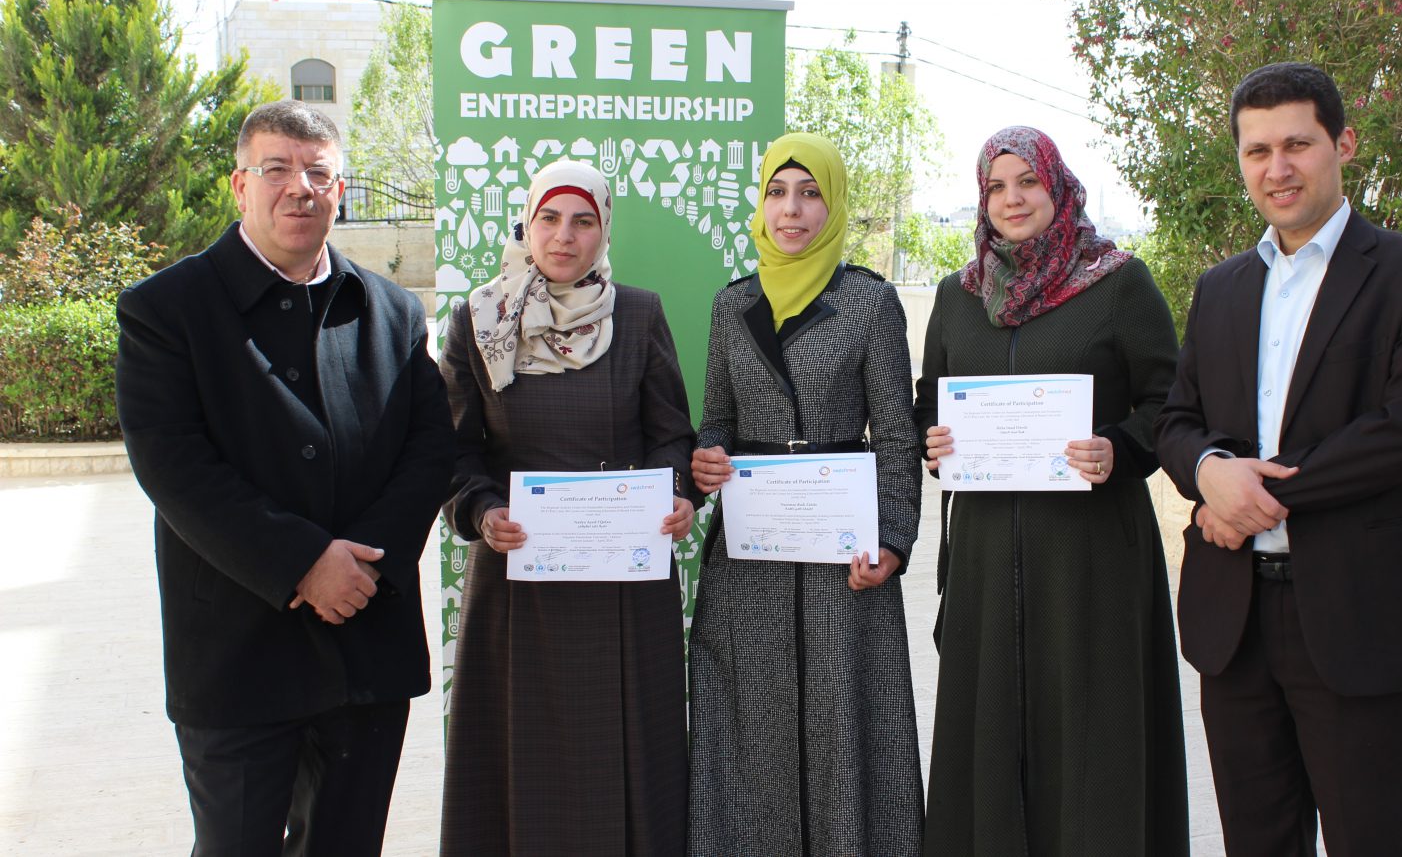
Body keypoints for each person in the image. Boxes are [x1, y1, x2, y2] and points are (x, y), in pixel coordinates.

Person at [114, 99, 454, 857]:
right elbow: (174, 466)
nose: (299, 188)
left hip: (366, 646)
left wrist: (360, 563)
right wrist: (303, 563)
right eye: (276, 169)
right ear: (240, 186)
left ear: (342, 190)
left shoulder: (393, 311)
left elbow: (433, 447)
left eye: (319, 173)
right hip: (237, 656)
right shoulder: (167, 310)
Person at [1155, 62, 1402, 857]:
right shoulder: (1221, 287)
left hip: (1359, 613)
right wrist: (1206, 473)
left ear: (1343, 144)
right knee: (1257, 841)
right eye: (1257, 150)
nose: (1278, 167)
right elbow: (1178, 420)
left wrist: (1254, 493)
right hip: (1236, 616)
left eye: (1297, 143)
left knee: (1375, 838)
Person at [913, 126, 1188, 855]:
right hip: (983, 559)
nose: (1012, 199)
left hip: (1090, 558)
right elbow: (929, 402)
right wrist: (933, 441)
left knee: (1090, 729)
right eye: (996, 186)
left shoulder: (1118, 282)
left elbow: (1172, 402)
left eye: (1026, 182)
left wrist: (1118, 448)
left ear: (1057, 187)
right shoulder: (959, 295)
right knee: (991, 727)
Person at [436, 159, 698, 856]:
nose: (564, 235)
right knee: (523, 761)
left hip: (623, 585)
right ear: (527, 221)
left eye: (583, 220)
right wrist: (484, 512)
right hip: (518, 582)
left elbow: (673, 436)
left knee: (626, 757)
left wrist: (678, 494)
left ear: (604, 229)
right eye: (550, 217)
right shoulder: (479, 318)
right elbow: (454, 456)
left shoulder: (638, 314)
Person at [687, 131, 924, 854]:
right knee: (747, 726)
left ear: (834, 203)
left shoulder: (869, 302)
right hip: (751, 557)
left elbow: (896, 434)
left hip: (844, 554)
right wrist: (706, 459)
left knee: (843, 721)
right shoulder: (733, 305)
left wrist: (892, 539)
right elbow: (717, 419)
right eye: (777, 192)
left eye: (811, 193)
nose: (792, 210)